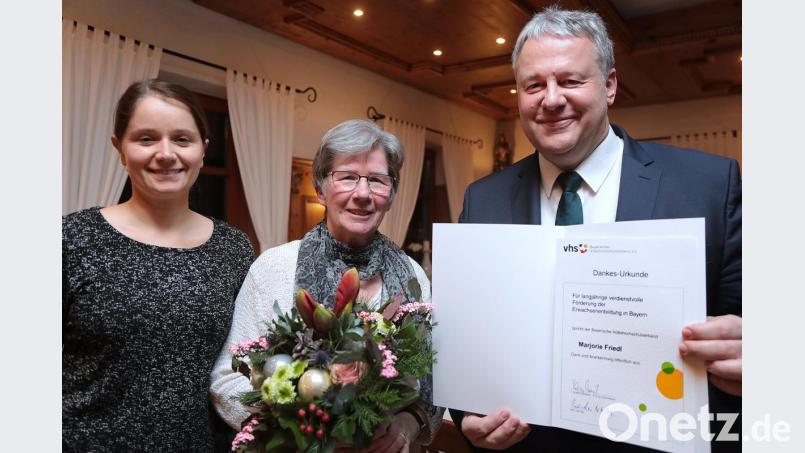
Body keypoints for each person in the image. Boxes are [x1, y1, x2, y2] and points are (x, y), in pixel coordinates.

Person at [449, 6, 741, 453]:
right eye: (533, 85)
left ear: (609, 85)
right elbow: (464, 340)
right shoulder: (483, 199)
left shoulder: (708, 185)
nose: (550, 100)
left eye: (570, 80)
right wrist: (466, 416)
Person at [210, 119, 443, 452]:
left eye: (377, 180)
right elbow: (226, 380)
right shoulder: (273, 268)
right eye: (347, 177)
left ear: (391, 195)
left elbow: (432, 377)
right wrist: (301, 429)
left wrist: (408, 425)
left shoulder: (412, 276)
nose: (362, 194)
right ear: (320, 189)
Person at [62, 79, 255, 452]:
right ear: (120, 148)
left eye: (182, 139)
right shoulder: (72, 239)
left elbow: (242, 363)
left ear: (203, 150)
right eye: (146, 138)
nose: (166, 154)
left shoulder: (233, 248)